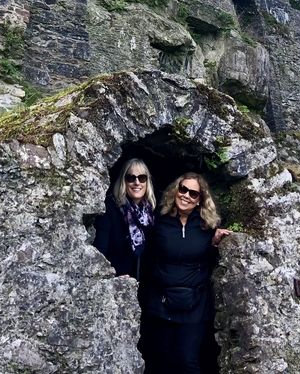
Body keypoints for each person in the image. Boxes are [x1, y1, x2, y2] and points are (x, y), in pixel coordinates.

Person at [140, 172, 230, 374]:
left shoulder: (207, 226)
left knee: (186, 360)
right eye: (183, 189)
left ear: (200, 200)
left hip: (195, 303)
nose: (186, 195)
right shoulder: (159, 221)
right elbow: (145, 256)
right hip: (161, 300)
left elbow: (209, 259)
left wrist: (215, 243)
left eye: (193, 193)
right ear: (175, 191)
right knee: (162, 357)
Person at [94, 158, 156, 279]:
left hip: (143, 285)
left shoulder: (150, 214)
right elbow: (99, 252)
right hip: (116, 281)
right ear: (124, 181)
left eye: (142, 178)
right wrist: (111, 276)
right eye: (131, 178)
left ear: (147, 182)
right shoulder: (110, 209)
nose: (137, 182)